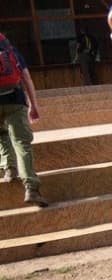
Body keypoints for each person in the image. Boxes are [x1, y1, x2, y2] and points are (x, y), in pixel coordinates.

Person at [0, 33, 48, 206]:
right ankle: (31, 188)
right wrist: (33, 105)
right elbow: (26, 77)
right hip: (16, 101)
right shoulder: (10, 49)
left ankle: (9, 168)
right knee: (22, 143)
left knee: (1, 134)